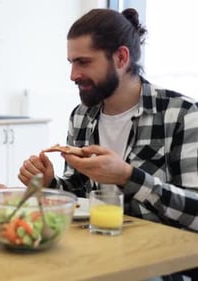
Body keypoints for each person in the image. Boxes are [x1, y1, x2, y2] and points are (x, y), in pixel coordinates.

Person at [19, 8, 198, 279]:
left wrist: (129, 177)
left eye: (83, 62)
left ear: (121, 57)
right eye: (71, 62)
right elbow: (79, 193)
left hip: (161, 266)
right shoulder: (81, 116)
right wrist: (50, 184)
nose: (73, 75)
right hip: (96, 255)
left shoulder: (182, 114)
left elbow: (195, 213)